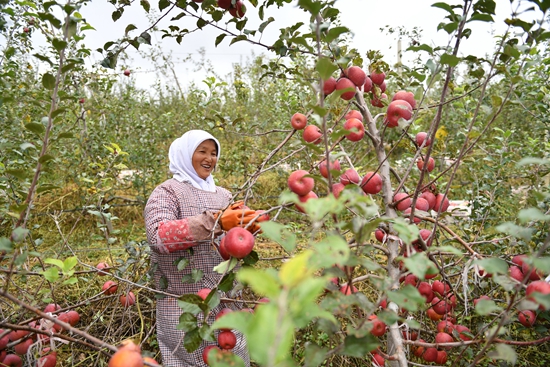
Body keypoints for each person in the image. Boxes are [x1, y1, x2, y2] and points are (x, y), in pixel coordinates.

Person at [144, 130, 258, 367]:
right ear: (185, 154)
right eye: (202, 151)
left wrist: (251, 227)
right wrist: (214, 222)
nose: (209, 158)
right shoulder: (167, 192)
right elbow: (158, 237)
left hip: (227, 306)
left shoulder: (225, 195)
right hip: (183, 306)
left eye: (214, 153)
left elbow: (236, 243)